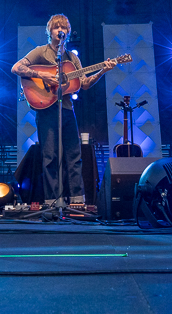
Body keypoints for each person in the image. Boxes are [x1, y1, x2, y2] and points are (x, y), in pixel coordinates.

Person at [12, 14, 117, 207]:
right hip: (47, 110)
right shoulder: (40, 52)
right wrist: (43, 75)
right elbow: (16, 68)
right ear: (50, 31)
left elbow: (84, 83)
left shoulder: (72, 58)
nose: (61, 31)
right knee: (50, 156)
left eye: (65, 28)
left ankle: (77, 201)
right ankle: (53, 201)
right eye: (57, 28)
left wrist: (103, 70)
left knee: (74, 156)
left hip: (67, 110)